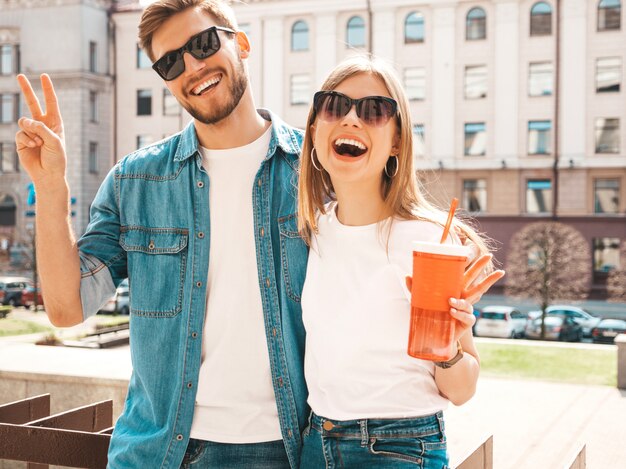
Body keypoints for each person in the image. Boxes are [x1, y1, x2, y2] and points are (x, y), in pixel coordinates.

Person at [14, 0, 308, 467]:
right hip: (161, 454)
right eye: (170, 62)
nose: (192, 66)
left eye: (204, 43)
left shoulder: (317, 171)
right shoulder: (134, 182)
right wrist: (50, 185)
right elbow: (67, 309)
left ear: (242, 43)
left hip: (292, 451)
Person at [296, 56, 505, 468]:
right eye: (334, 106)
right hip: (316, 441)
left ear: (397, 140)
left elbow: (461, 391)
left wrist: (446, 349)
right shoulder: (311, 230)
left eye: (374, 110)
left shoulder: (431, 241)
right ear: (315, 130)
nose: (352, 119)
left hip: (399, 447)